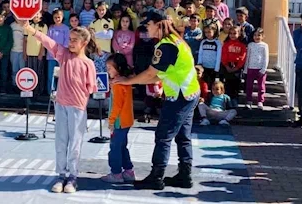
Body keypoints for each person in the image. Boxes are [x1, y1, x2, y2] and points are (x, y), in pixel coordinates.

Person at [114, 12, 201, 190]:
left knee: (163, 136)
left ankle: (156, 177)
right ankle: (185, 175)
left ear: (158, 24)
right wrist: (132, 81)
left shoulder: (166, 46)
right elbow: (159, 76)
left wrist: (127, 81)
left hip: (179, 97)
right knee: (183, 137)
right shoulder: (177, 41)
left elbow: (150, 74)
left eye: (148, 25)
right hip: (190, 93)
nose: (146, 28)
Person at [21, 20, 96, 193]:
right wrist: (30, 29)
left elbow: (91, 88)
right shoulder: (63, 55)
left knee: (75, 143)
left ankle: (73, 176)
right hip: (61, 105)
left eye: (74, 40)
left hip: (77, 108)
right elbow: (48, 42)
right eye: (69, 39)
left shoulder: (88, 64)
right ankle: (61, 175)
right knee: (61, 141)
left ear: (84, 42)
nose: (70, 43)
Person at [101, 53, 135, 184]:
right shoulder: (126, 81)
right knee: (122, 146)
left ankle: (116, 173)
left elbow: (116, 106)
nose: (108, 71)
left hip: (119, 122)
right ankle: (128, 171)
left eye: (110, 68)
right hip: (126, 121)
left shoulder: (117, 84)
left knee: (114, 148)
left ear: (118, 68)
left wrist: (111, 121)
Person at [220, 25, 247, 100]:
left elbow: (243, 57)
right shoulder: (226, 44)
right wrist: (226, 66)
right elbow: (224, 55)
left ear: (239, 34)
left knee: (236, 84)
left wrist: (237, 67)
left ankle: (234, 100)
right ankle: (227, 100)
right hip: (227, 66)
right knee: (227, 84)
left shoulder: (242, 45)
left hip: (237, 67)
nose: (232, 35)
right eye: (231, 33)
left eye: (234, 33)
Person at [23, 12, 47, 95]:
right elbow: (25, 40)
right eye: (34, 14)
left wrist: (41, 53)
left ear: (41, 15)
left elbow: (44, 41)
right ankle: (30, 90)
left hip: (38, 54)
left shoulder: (44, 26)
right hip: (29, 53)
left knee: (39, 72)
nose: (36, 16)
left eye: (38, 14)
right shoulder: (28, 25)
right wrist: (24, 53)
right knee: (30, 73)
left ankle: (39, 91)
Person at [245, 28, 269, 108]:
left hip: (260, 69)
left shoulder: (264, 45)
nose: (257, 37)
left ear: (263, 36)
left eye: (259, 35)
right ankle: (249, 101)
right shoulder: (250, 45)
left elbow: (266, 58)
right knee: (249, 86)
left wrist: (263, 69)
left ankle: (260, 101)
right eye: (255, 35)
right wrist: (246, 69)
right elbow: (247, 57)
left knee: (261, 86)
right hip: (251, 68)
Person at [47, 9, 70, 94]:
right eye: (55, 17)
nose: (57, 19)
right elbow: (48, 41)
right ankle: (51, 92)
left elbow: (66, 42)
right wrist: (52, 51)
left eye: (59, 17)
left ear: (62, 17)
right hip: (51, 55)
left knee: (62, 75)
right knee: (51, 75)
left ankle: (61, 92)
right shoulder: (51, 28)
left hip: (62, 56)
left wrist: (61, 52)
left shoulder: (66, 28)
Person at [10, 16, 26, 91]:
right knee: (14, 69)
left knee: (22, 69)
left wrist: (25, 52)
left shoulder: (25, 26)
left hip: (22, 51)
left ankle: (22, 85)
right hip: (13, 51)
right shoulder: (12, 25)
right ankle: (14, 84)